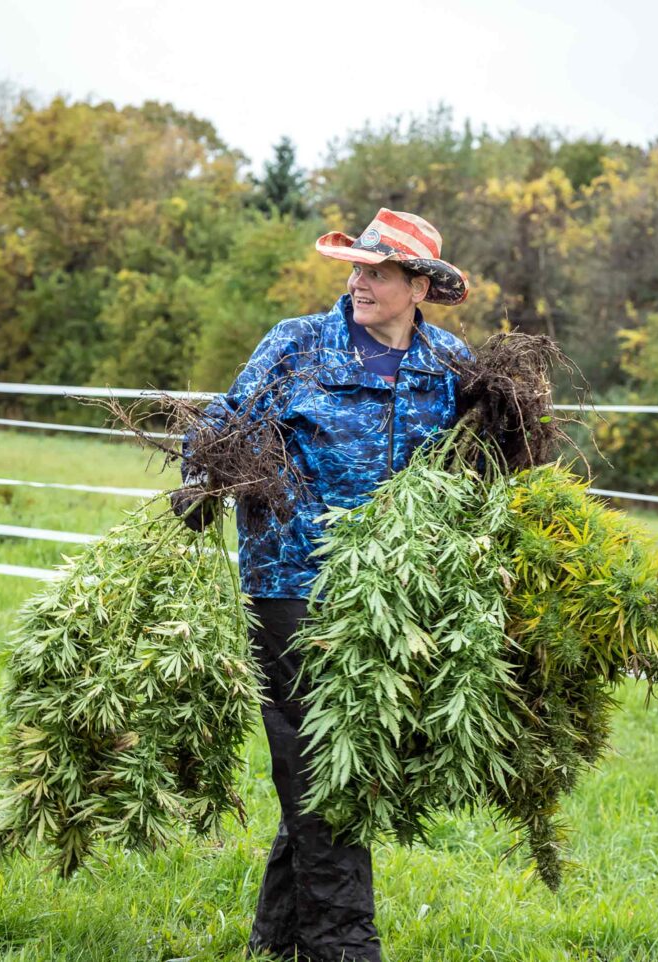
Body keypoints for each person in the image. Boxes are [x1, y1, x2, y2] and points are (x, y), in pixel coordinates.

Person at [175, 208, 470, 962]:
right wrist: (203, 475)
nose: (359, 283)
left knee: (335, 762)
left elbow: (473, 466)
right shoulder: (297, 344)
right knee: (324, 767)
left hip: (390, 598)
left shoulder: (450, 363)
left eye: (378, 272)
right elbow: (222, 424)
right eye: (356, 269)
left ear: (419, 287)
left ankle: (277, 941)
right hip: (291, 583)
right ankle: (344, 945)